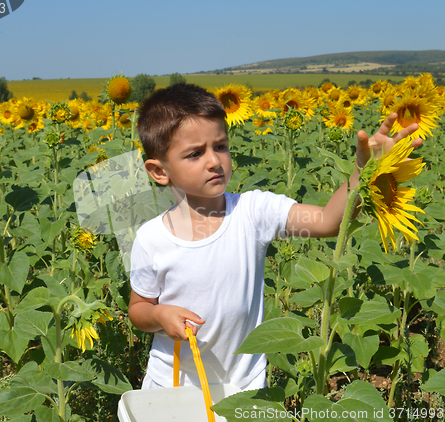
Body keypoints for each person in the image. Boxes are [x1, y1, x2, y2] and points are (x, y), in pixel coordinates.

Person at [127, 83, 422, 390]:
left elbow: (327, 221)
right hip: (173, 386)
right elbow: (139, 309)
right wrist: (160, 314)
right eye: (195, 153)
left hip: (241, 385)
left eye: (220, 146)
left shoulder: (253, 211)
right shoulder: (151, 239)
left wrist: (366, 169)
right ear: (160, 172)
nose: (214, 161)